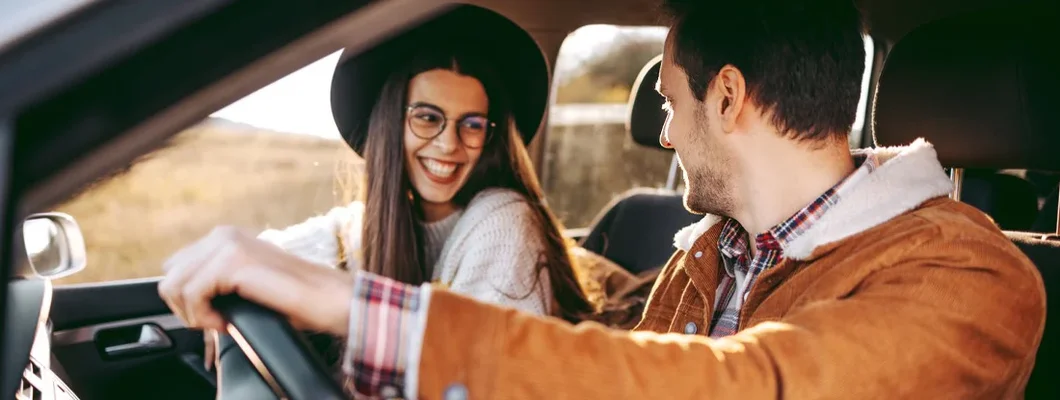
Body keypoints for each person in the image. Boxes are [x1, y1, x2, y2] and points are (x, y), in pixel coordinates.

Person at [159, 0, 1047, 398]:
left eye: (668, 101)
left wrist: (359, 310)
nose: (664, 133)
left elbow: (750, 388)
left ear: (726, 98)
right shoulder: (713, 257)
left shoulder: (974, 280)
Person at [198, 5, 597, 370]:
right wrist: (228, 290)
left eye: (472, 124)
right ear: (391, 122)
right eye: (428, 117)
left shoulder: (503, 220)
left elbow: (481, 373)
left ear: (489, 137)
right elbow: (264, 254)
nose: (449, 144)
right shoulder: (365, 226)